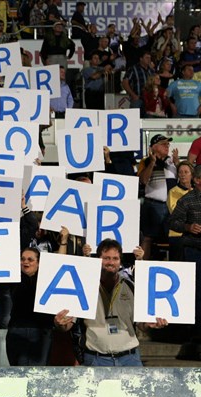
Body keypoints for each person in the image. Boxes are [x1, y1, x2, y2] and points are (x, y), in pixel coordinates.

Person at [54, 239, 167, 367]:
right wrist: (59, 323)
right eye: (106, 258)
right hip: (96, 360)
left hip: (130, 359)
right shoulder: (84, 286)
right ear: (98, 260)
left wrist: (150, 324)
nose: (111, 262)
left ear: (120, 262)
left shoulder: (131, 286)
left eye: (115, 258)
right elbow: (67, 325)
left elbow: (141, 325)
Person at [168, 164, 201, 357]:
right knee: (197, 295)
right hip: (194, 251)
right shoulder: (187, 200)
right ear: (197, 180)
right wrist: (188, 227)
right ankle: (196, 336)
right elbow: (172, 222)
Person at [6, 248, 54, 365]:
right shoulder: (14, 278)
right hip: (17, 330)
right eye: (22, 259)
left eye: (30, 259)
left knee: (38, 372)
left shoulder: (49, 280)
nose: (25, 262)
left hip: (42, 330)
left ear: (39, 263)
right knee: (18, 371)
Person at [138, 134, 178, 259]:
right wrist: (152, 163)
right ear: (154, 147)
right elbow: (143, 181)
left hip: (171, 206)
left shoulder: (171, 161)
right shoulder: (145, 161)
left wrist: (177, 164)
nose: (167, 146)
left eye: (168, 144)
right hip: (152, 205)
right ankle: (142, 264)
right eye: (163, 144)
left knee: (174, 237)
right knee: (147, 237)